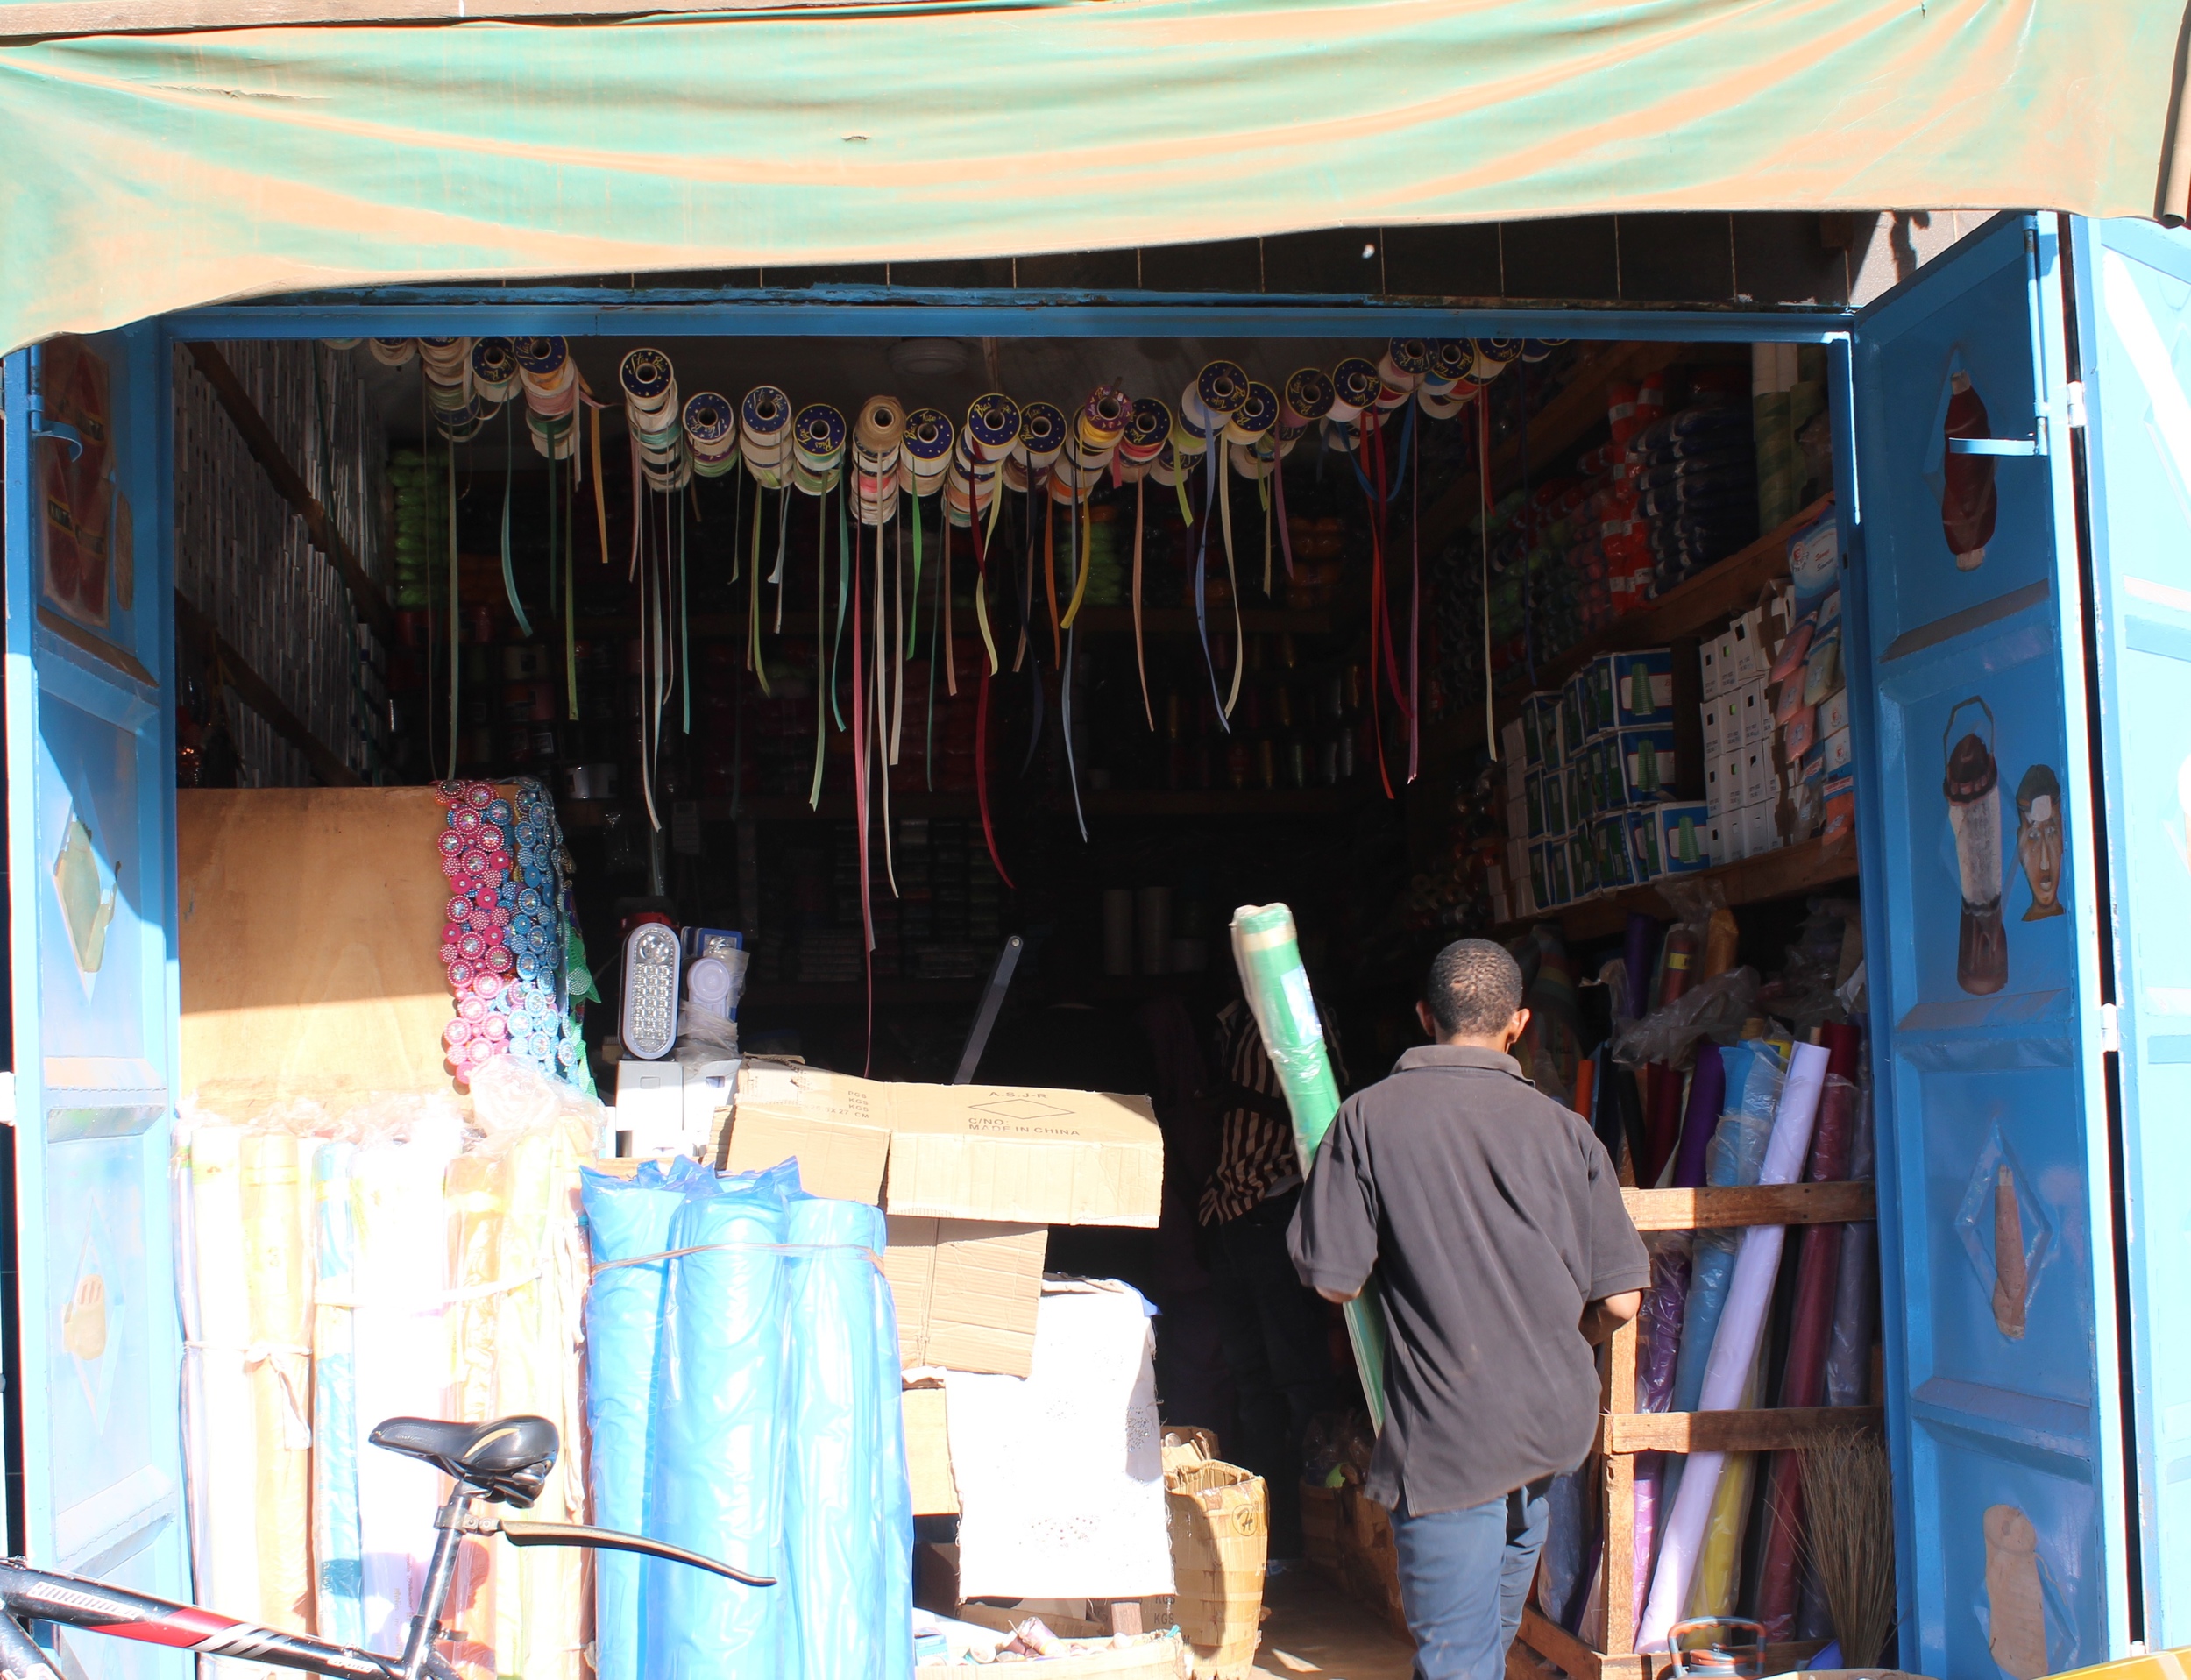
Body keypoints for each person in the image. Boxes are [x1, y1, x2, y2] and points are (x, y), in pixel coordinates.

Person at [1289, 938, 1649, 1680]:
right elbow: (1619, 1298)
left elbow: (1333, 1279)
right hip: (1549, 1430)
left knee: (1460, 1662)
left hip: (1451, 1440)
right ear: (1519, 1024)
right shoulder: (1567, 1132)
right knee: (1483, 1650)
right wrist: (1559, 1336)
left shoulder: (1365, 1120)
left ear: (1424, 1015)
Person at [1196, 986, 1344, 1557]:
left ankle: (1292, 1533)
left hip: (1251, 1212)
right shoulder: (1265, 1020)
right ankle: (1298, 1533)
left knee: (1273, 1383)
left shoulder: (1275, 1019)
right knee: (1288, 1381)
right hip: (1253, 1212)